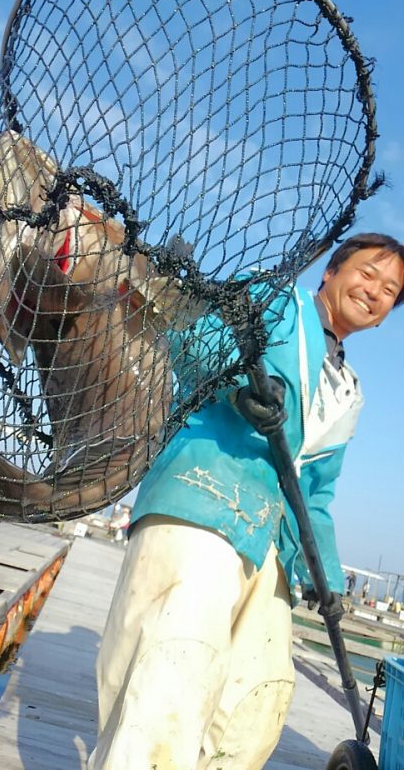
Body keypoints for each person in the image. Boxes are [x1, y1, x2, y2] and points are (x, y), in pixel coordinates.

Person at [88, 233, 404, 770]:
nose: (375, 291)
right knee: (171, 678)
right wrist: (237, 388)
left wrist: (325, 582)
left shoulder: (350, 391)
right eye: (368, 273)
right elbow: (194, 338)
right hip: (204, 504)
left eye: (391, 290)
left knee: (255, 702)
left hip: (269, 545)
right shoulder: (273, 301)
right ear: (330, 273)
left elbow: (316, 495)